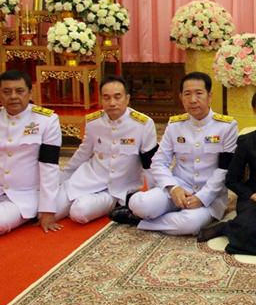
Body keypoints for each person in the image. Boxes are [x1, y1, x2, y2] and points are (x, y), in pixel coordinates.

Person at [114, 72, 237, 236]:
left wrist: (202, 197)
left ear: (209, 96)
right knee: (140, 203)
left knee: (189, 224)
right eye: (187, 94)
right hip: (179, 186)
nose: (193, 100)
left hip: (209, 196)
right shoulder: (175, 125)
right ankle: (144, 213)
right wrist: (173, 188)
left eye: (199, 93)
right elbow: (158, 162)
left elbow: (224, 170)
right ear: (181, 97)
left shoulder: (226, 127)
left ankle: (139, 220)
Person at [197, 87, 256, 255]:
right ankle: (233, 227)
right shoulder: (246, 141)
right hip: (253, 198)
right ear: (254, 110)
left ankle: (230, 227)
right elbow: (232, 179)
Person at [61, 75, 158, 224]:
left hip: (116, 190)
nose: (112, 103)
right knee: (51, 209)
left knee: (79, 212)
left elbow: (149, 164)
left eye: (117, 97)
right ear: (101, 100)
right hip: (88, 179)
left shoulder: (143, 124)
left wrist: (152, 196)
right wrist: (62, 178)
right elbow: (82, 153)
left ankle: (108, 204)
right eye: (106, 98)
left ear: (127, 98)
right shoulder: (94, 122)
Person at [0, 70, 68, 234]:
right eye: (7, 92)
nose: (13, 96)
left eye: (20, 91)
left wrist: (48, 209)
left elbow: (49, 166)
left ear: (30, 92)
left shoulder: (46, 120)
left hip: (24, 195)